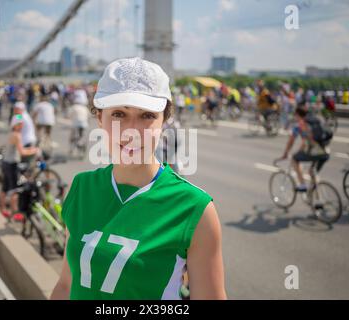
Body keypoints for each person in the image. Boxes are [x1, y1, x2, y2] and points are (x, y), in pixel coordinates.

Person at [50, 57, 226, 300]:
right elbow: (66, 285)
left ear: (164, 120)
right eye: (119, 114)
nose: (132, 129)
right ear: (99, 118)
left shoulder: (195, 209)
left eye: (146, 116)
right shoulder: (81, 187)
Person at [280, 106, 330, 192]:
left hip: (316, 152)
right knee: (312, 172)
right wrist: (300, 150)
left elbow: (291, 141)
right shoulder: (316, 120)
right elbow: (306, 142)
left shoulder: (300, 125)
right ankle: (315, 195)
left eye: (295, 115)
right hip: (326, 151)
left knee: (294, 159)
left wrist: (286, 153)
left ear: (297, 115)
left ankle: (303, 185)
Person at [0, 114, 39, 221]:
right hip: (12, 164)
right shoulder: (17, 135)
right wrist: (34, 150)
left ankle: (2, 209)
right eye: (19, 124)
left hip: (5, 163)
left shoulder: (11, 133)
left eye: (22, 124)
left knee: (5, 188)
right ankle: (15, 213)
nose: (21, 126)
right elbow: (22, 152)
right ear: (14, 124)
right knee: (15, 190)